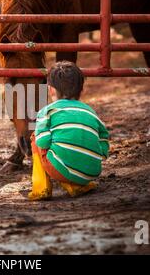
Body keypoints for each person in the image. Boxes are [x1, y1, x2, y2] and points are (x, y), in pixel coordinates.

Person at [29, 61, 110, 201]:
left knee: (35, 138)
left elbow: (43, 141)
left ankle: (41, 189)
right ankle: (78, 185)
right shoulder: (90, 111)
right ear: (81, 90)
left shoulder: (47, 111)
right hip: (92, 172)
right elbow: (104, 135)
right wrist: (101, 154)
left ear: (51, 90)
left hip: (63, 171)